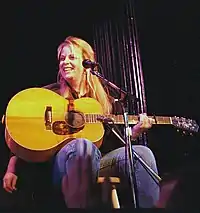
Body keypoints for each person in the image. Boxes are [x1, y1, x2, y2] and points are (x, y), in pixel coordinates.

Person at [2, 36, 160, 209]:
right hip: (60, 166)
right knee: (83, 146)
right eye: (62, 58)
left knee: (143, 153)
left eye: (71, 57)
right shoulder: (50, 94)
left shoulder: (103, 100)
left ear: (87, 63)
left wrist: (134, 133)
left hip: (97, 162)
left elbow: (112, 142)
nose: (65, 62)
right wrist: (12, 167)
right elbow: (22, 127)